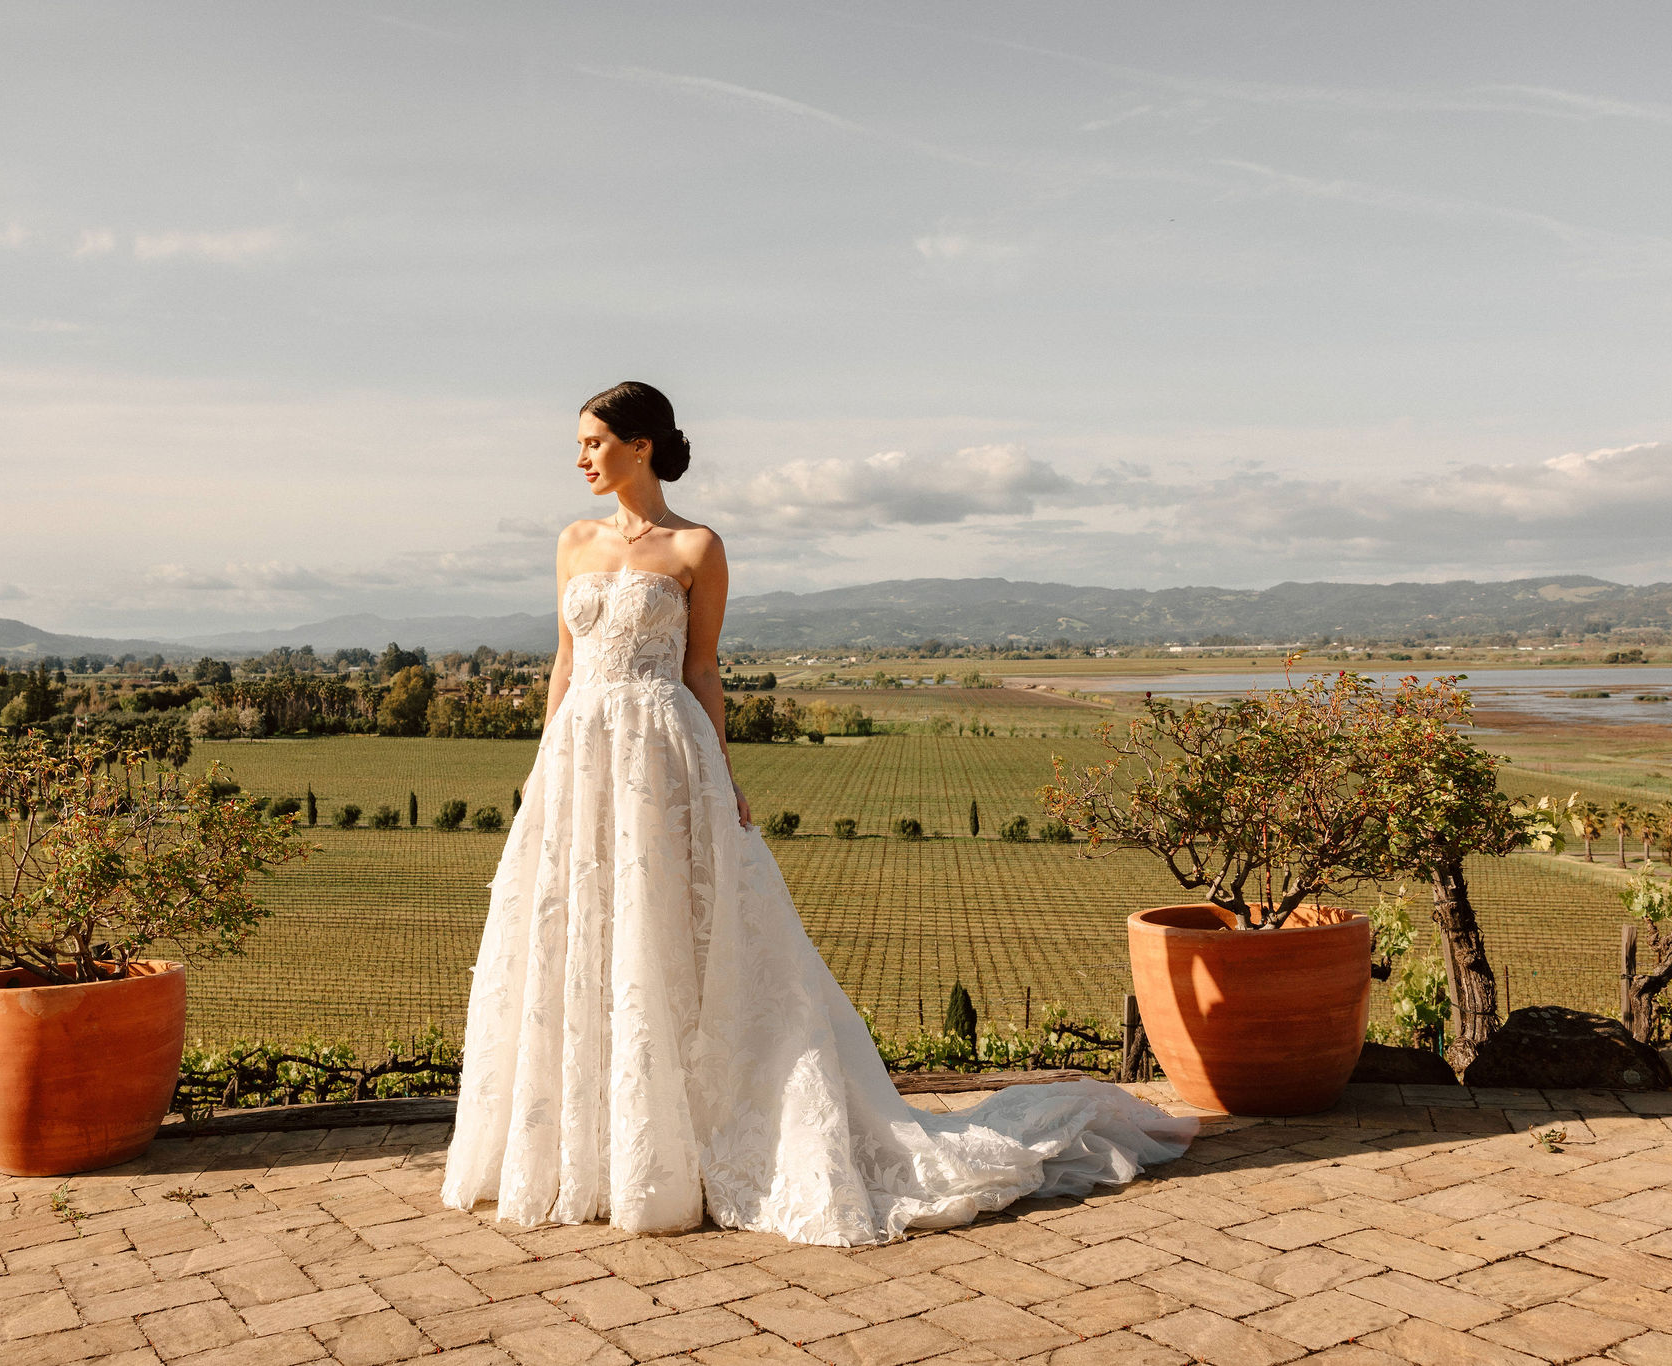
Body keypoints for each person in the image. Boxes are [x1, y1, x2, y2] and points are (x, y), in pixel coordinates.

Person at [439, 381, 1195, 1246]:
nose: (579, 459)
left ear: (639, 446)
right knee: (580, 931)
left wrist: (721, 775)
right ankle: (595, 1151)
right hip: (581, 761)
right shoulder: (572, 542)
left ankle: (681, 1150)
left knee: (671, 936)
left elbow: (705, 671)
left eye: (591, 442)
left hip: (664, 754)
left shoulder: (697, 546)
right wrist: (544, 770)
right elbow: (565, 665)